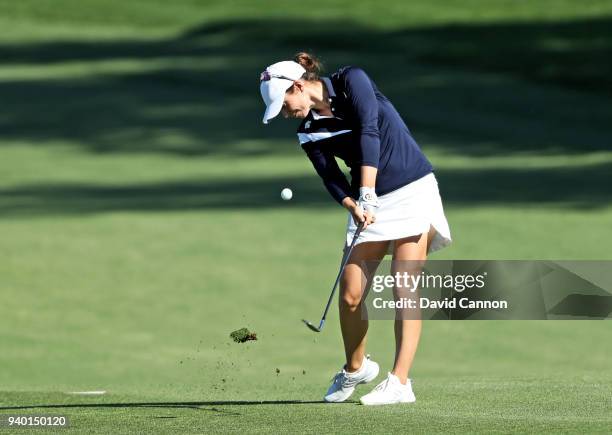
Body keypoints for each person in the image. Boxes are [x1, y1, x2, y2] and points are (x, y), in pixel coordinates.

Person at [259, 52, 452, 405]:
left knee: (404, 285)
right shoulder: (308, 133)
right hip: (368, 203)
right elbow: (330, 176)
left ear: (299, 86)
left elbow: (369, 129)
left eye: (284, 105)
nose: (286, 114)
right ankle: (356, 367)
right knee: (350, 295)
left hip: (410, 188)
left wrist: (366, 190)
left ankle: (400, 382)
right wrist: (353, 203)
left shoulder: (352, 80)